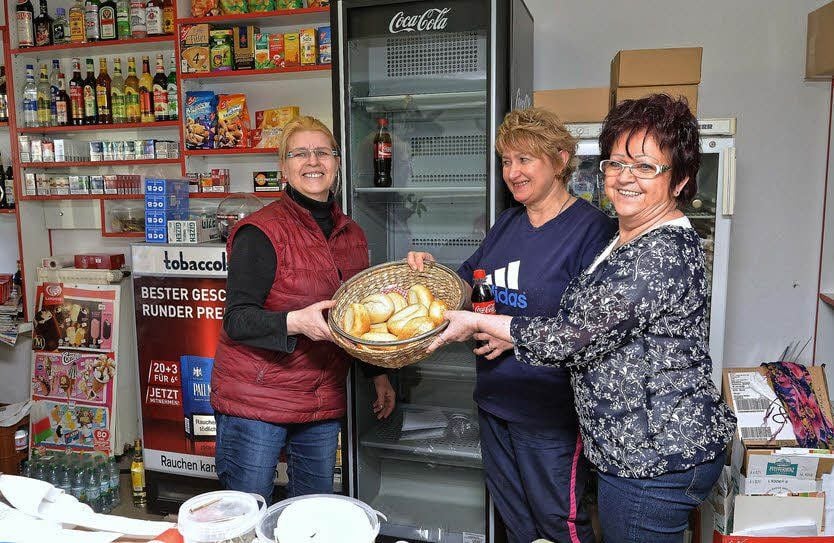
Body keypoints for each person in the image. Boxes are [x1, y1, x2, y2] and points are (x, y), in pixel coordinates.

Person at [430, 95, 737, 542]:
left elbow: (572, 335)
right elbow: (576, 319)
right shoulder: (625, 240)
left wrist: (482, 324)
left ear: (680, 180)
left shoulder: (657, 253)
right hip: (627, 448)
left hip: (654, 455)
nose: (625, 177)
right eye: (616, 163)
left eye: (645, 166)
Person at [408, 107, 615, 543]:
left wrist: (511, 333)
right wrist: (431, 273)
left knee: (559, 525)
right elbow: (471, 284)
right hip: (495, 401)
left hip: (549, 414)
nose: (512, 172)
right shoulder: (508, 223)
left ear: (560, 160)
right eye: (506, 161)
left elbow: (588, 328)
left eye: (525, 159)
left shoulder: (592, 231)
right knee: (517, 524)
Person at [211, 116, 396, 504]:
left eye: (322, 152)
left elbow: (356, 316)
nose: (313, 161)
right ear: (283, 167)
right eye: (300, 153)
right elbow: (237, 319)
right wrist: (296, 322)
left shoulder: (352, 234)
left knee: (312, 513)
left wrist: (377, 374)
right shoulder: (260, 231)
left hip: (321, 398)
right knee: (247, 511)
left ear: (336, 162)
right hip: (257, 401)